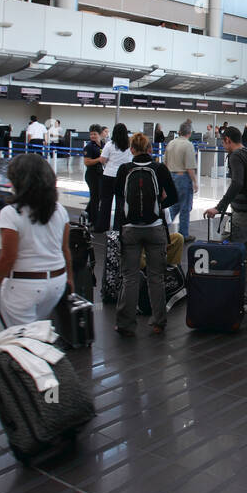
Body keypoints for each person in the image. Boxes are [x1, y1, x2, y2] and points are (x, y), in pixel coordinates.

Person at [0, 153, 73, 328]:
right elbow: (65, 249)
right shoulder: (60, 210)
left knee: (24, 343)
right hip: (57, 282)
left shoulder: (11, 213)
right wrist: (70, 279)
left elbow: (7, 258)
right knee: (39, 332)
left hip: (24, 287)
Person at [115, 132, 179, 337]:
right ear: (150, 149)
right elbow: (174, 196)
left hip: (130, 229)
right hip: (155, 228)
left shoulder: (124, 169)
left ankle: (125, 324)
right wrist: (159, 206)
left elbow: (119, 200)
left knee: (130, 277)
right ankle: (158, 322)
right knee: (156, 277)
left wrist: (120, 227)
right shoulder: (159, 168)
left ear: (131, 149)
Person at [204, 126, 247, 314]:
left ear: (228, 140)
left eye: (223, 142)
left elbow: (237, 183)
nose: (223, 145)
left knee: (233, 253)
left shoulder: (236, 156)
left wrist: (219, 207)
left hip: (244, 213)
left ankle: (236, 295)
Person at [164, 120, 199, 244]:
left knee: (174, 206)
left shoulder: (171, 143)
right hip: (183, 177)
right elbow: (190, 167)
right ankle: (183, 234)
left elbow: (165, 163)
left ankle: (163, 229)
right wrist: (195, 182)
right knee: (185, 207)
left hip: (172, 177)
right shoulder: (188, 145)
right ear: (189, 133)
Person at [97, 122, 132, 232]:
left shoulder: (109, 144)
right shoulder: (129, 146)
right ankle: (118, 228)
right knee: (120, 203)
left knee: (105, 202)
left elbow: (102, 160)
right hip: (123, 177)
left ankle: (102, 227)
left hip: (108, 175)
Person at [82, 124, 105, 226]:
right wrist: (98, 160)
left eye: (95, 134)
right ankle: (94, 220)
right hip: (92, 174)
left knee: (98, 196)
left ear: (100, 134)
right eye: (91, 134)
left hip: (100, 173)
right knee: (95, 197)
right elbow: (87, 162)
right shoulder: (89, 147)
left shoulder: (103, 145)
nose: (92, 136)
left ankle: (87, 213)